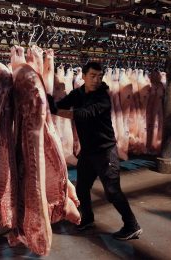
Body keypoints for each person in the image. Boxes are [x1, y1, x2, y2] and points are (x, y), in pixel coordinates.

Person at [47, 62, 142, 240]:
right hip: (88, 152)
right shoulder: (78, 93)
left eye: (99, 76)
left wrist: (57, 110)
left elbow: (82, 115)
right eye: (93, 76)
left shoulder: (103, 98)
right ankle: (88, 218)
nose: (97, 80)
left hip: (105, 151)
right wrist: (48, 100)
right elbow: (61, 105)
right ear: (83, 76)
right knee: (82, 188)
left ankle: (132, 225)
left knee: (112, 191)